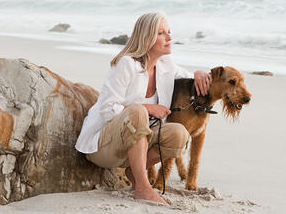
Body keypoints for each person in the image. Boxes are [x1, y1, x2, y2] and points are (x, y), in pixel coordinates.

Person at [75, 12, 211, 204]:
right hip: (105, 147)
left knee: (180, 134)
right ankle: (143, 187)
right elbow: (107, 109)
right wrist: (147, 108)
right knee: (138, 111)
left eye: (169, 32)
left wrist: (198, 73)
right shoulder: (126, 64)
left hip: (137, 149)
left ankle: (134, 170)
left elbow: (188, 76)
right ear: (146, 37)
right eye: (161, 33)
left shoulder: (165, 65)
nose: (169, 37)